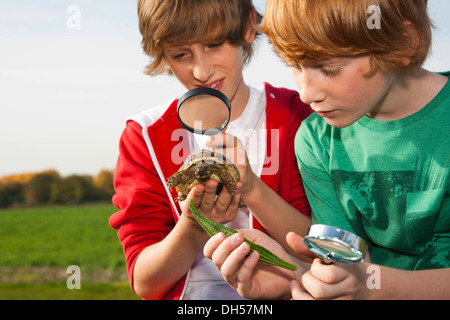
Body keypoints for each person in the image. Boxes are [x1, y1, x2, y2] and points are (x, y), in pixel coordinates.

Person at [204, 0, 450, 299]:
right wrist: (292, 270)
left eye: (330, 68)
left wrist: (372, 287)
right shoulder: (316, 140)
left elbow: (364, 282)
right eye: (294, 65)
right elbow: (348, 264)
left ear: (403, 43)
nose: (307, 93)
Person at [109, 0, 313, 300]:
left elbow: (320, 249)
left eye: (214, 45)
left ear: (246, 29)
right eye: (181, 54)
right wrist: (193, 226)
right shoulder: (145, 135)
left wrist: (253, 190)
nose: (201, 71)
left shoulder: (296, 117)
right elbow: (145, 282)